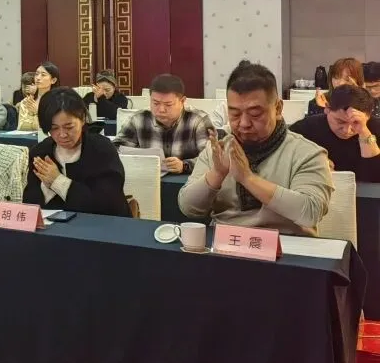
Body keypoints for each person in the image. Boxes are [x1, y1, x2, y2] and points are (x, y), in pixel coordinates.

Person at [178, 61, 332, 236]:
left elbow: (311, 212)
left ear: (278, 108)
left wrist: (248, 178)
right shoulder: (219, 148)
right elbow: (188, 208)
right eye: (235, 114)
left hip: (287, 245)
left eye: (255, 114)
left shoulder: (306, 153)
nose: (244, 123)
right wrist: (218, 173)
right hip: (227, 244)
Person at [22, 88, 132, 216]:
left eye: (69, 127)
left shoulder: (101, 149)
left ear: (83, 119)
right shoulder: (40, 152)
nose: (62, 135)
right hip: (53, 225)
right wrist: (46, 187)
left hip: (104, 224)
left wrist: (57, 181)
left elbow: (107, 203)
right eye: (54, 128)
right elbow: (30, 203)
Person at [113, 74, 213, 174]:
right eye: (155, 103)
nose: (161, 110)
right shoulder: (138, 119)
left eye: (168, 104)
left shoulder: (198, 120)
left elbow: (211, 158)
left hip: (188, 181)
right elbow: (116, 150)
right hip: (147, 178)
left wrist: (185, 165)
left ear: (182, 101)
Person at [290, 85, 379, 182]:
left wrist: (364, 132)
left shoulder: (376, 127)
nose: (347, 130)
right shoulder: (304, 129)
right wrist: (310, 163)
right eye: (340, 122)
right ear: (327, 108)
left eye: (355, 123)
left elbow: (375, 177)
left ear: (368, 116)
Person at [17, 63, 61, 131]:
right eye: (36, 74)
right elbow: (22, 127)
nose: (38, 78)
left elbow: (54, 126)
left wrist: (37, 112)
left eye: (43, 75)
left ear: (53, 80)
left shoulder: (58, 101)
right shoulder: (27, 101)